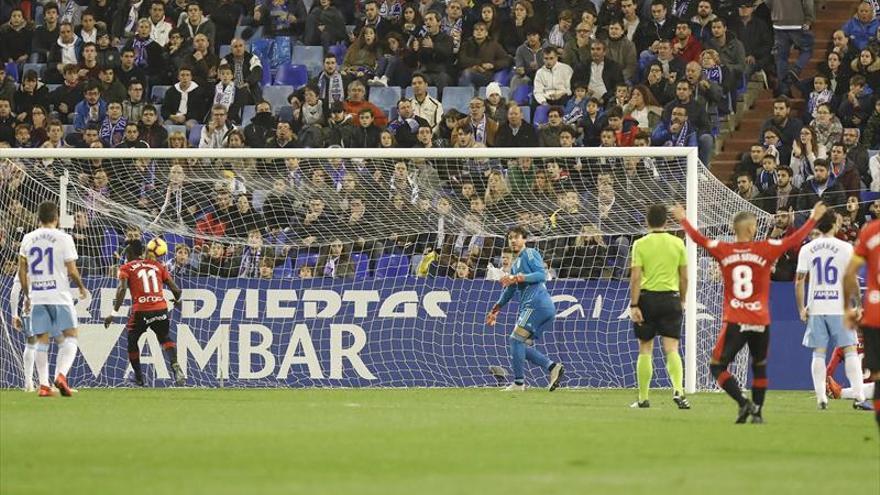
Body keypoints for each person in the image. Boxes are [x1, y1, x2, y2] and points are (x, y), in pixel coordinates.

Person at [673, 201, 827, 423]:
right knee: (759, 366)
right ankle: (757, 413)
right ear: (749, 229)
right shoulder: (765, 248)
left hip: (736, 319)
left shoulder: (723, 249)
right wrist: (813, 218)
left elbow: (699, 240)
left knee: (717, 366)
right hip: (761, 320)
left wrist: (683, 220)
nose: (756, 229)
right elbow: (793, 241)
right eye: (754, 225)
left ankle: (743, 402)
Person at [795, 211, 870, 410]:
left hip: (817, 307)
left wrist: (802, 308)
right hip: (840, 306)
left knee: (818, 352)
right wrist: (859, 305)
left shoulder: (807, 249)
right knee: (850, 350)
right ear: (835, 226)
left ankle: (821, 398)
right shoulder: (845, 247)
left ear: (818, 226)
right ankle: (860, 397)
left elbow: (799, 281)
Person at [17, 201, 88, 397]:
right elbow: (72, 270)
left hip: (38, 296)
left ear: (38, 218)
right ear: (56, 218)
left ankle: (44, 385)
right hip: (60, 296)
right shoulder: (64, 238)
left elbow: (22, 271)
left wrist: (28, 295)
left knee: (41, 340)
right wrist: (81, 287)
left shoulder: (28, 238)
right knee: (71, 336)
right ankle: (62, 376)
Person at [485, 226, 565, 392]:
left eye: (517, 237)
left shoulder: (530, 253)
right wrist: (496, 308)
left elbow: (541, 275)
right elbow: (510, 290)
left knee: (515, 340)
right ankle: (553, 367)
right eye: (510, 238)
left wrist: (517, 277)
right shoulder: (515, 265)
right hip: (539, 307)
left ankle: (519, 383)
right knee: (519, 345)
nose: (513, 240)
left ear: (524, 239)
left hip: (536, 303)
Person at [629, 204, 690, 409]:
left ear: (647, 221)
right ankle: (679, 391)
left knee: (645, 348)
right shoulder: (678, 243)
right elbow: (684, 277)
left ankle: (643, 398)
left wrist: (634, 304)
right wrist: (681, 300)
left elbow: (636, 278)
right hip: (671, 299)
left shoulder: (640, 244)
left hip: (647, 299)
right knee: (672, 348)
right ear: (666, 221)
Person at [103, 239, 184, 387]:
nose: (124, 253)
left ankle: (139, 378)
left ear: (131, 252)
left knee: (132, 341)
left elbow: (121, 290)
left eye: (126, 250)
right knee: (165, 337)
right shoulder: (157, 265)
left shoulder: (126, 267)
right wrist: (178, 300)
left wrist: (113, 313)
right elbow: (176, 290)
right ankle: (175, 365)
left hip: (141, 310)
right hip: (160, 308)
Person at [843, 217, 880, 428]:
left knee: (877, 376)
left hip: (874, 314)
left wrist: (850, 308)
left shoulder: (870, 231)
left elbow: (850, 273)